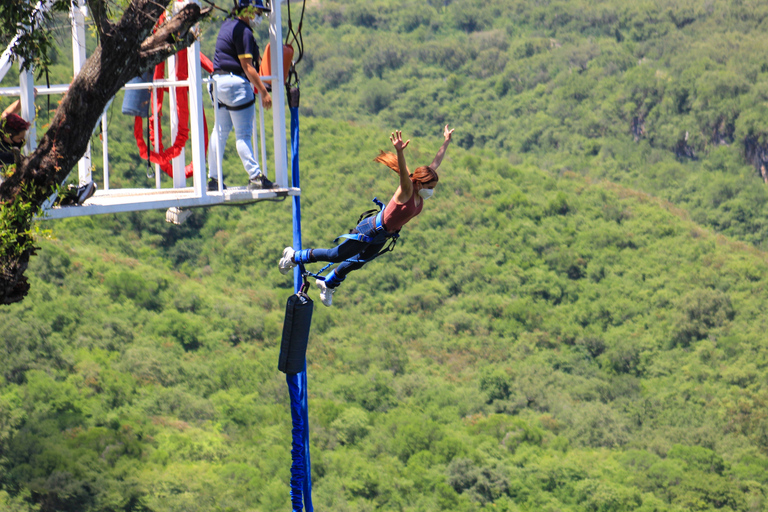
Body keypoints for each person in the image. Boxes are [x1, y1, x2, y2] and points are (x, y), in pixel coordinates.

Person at [279, 125, 455, 306]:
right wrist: (399, 152)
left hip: (383, 235)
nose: (432, 192)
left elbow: (435, 163)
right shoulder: (408, 189)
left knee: (358, 262)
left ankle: (328, 283)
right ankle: (293, 256)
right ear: (420, 183)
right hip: (370, 228)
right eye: (431, 188)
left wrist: (446, 141)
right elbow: (403, 172)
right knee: (335, 255)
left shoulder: (419, 192)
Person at [208, 0, 275, 192]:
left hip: (217, 84)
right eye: (258, 12)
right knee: (243, 135)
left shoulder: (227, 26)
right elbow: (247, 67)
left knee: (219, 132)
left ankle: (213, 179)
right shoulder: (244, 31)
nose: (259, 17)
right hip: (236, 85)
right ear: (248, 10)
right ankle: (255, 176)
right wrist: (263, 92)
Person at [0, 98, 31, 170]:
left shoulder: (4, 126)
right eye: (19, 138)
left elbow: (6, 114)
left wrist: (28, 96)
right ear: (8, 136)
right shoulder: (7, 155)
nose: (23, 141)